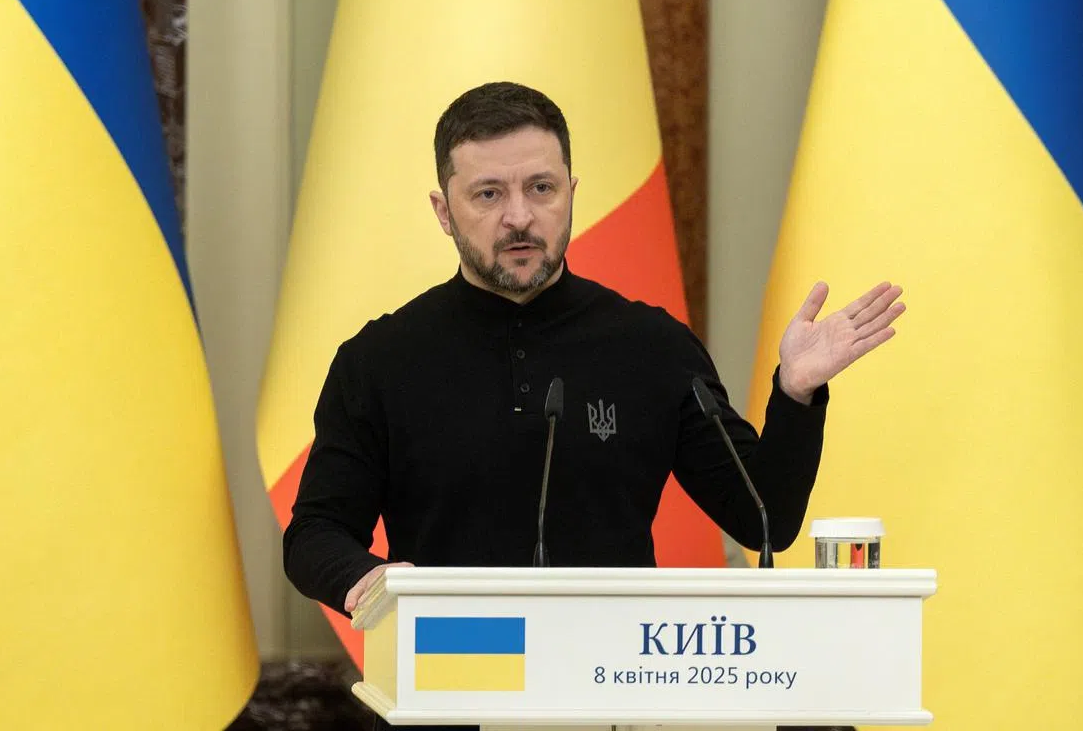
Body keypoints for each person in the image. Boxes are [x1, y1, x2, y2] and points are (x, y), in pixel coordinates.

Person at [282, 80, 905, 619]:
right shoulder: (380, 359)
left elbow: (764, 517)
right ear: (444, 211)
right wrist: (372, 581)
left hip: (615, 691)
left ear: (572, 192)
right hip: (448, 682)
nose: (520, 217)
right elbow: (314, 533)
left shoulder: (652, 347)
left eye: (542, 188)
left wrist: (795, 394)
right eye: (489, 194)